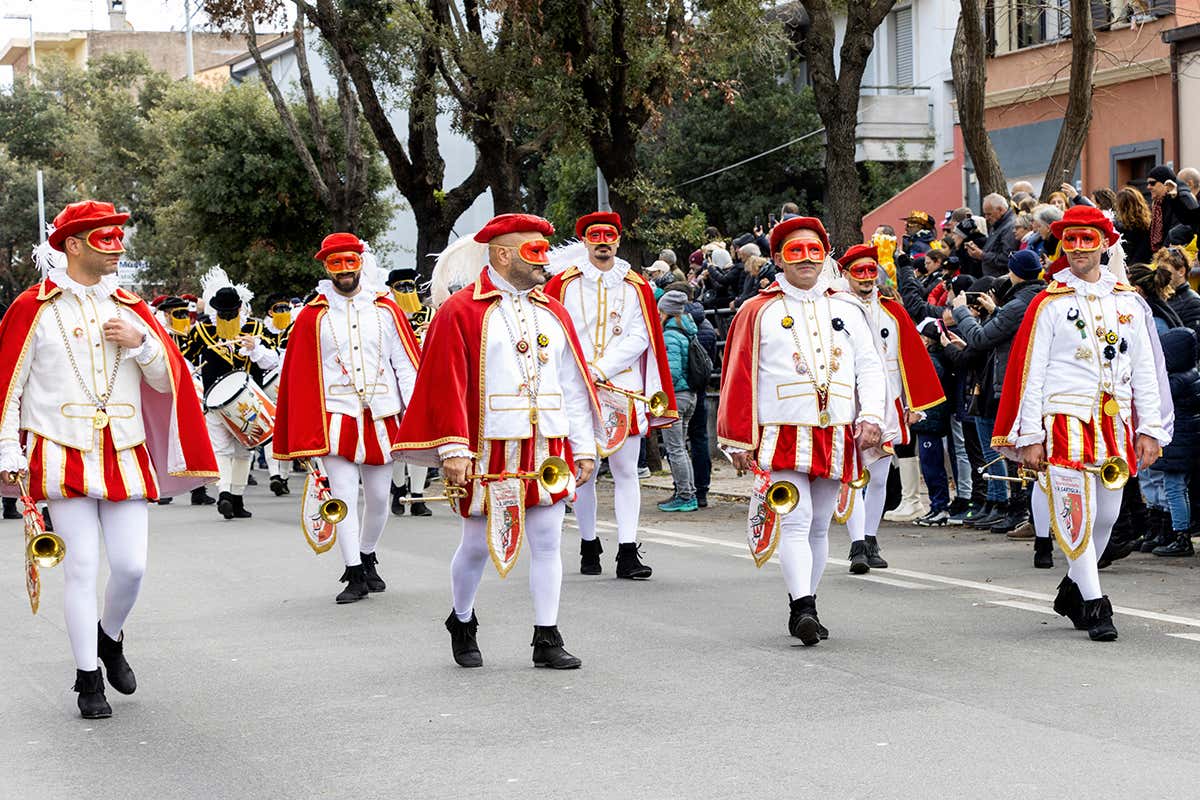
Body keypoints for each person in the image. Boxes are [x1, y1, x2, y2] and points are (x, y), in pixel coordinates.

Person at [0, 200, 217, 718]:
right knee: (81, 569)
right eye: (105, 238)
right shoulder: (33, 308)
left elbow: (171, 383)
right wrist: (9, 447)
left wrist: (143, 345)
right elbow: (8, 386)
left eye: (120, 237)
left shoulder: (133, 307)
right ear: (73, 246)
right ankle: (87, 676)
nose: (117, 247)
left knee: (132, 567)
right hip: (60, 452)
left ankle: (110, 636)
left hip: (123, 448)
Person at [395, 213, 602, 669]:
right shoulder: (460, 310)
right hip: (486, 450)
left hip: (547, 447)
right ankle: (462, 619)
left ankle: (547, 636)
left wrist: (584, 445)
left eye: (545, 250)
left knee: (547, 539)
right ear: (503, 254)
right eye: (535, 251)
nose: (545, 259)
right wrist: (453, 448)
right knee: (476, 544)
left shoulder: (553, 310)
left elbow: (572, 383)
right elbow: (448, 382)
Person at [993, 204, 1172, 642]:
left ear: (1104, 244)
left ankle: (1071, 589)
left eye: (1086, 240)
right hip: (1064, 421)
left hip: (1114, 423)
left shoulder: (1129, 302)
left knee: (1108, 515)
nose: (1077, 248)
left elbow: (1146, 368)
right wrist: (1031, 434)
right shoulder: (1048, 303)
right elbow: (1030, 372)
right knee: (1078, 515)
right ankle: (1095, 603)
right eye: (1069, 240)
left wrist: (1150, 428)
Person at [718, 216, 887, 645]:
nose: (807, 259)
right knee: (797, 518)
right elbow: (738, 375)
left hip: (837, 430)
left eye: (815, 250)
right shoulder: (758, 310)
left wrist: (872, 417)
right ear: (777, 258)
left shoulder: (847, 307)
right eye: (796, 251)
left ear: (825, 255)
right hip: (782, 428)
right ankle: (802, 608)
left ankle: (809, 599)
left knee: (819, 524)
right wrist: (738, 437)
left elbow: (870, 365)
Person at [272, 233, 421, 604]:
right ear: (326, 268)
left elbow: (405, 364)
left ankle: (367, 554)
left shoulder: (387, 310)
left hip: (382, 416)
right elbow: (302, 375)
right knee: (342, 496)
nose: (343, 270)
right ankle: (353, 571)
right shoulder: (312, 317)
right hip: (335, 417)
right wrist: (304, 433)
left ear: (360, 263)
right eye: (335, 264)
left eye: (349, 262)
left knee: (379, 499)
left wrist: (416, 411)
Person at [543, 211, 677, 579]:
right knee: (584, 467)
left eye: (609, 235)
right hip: (577, 390)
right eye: (595, 235)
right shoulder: (564, 284)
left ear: (618, 241)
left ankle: (628, 550)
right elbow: (554, 332)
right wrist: (579, 371)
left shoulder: (636, 285)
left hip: (623, 389)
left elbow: (640, 335)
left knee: (625, 471)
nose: (603, 241)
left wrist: (600, 369)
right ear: (585, 241)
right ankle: (588, 543)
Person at [836, 244, 944, 565]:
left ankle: (870, 539)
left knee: (880, 476)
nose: (868, 278)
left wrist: (914, 402)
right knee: (852, 476)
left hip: (886, 404)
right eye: (860, 272)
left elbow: (911, 357)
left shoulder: (892, 311)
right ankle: (856, 545)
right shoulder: (835, 309)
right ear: (846, 275)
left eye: (872, 271)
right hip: (847, 405)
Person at [946, 249, 1047, 535]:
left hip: (1014, 384)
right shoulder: (1032, 299)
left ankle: (1020, 511)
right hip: (1021, 382)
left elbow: (979, 338)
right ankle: (1023, 512)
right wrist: (996, 312)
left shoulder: (1019, 304)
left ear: (1015, 273)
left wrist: (961, 312)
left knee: (1016, 451)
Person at [181, 269, 281, 520]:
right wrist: (195, 382)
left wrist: (255, 349)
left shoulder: (255, 328)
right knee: (223, 450)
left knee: (243, 450)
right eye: (223, 314)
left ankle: (235, 498)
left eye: (231, 313)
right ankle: (225, 494)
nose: (227, 317)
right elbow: (186, 362)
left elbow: (272, 362)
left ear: (240, 309)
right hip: (214, 402)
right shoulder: (201, 331)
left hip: (249, 402)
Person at [386, 267, 434, 517]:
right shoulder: (388, 315)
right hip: (394, 383)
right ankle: (398, 488)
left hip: (423, 382)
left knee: (421, 441)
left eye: (410, 286)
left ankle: (417, 496)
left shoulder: (430, 313)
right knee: (396, 441)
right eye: (400, 287)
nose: (406, 292)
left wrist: (428, 336)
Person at [657, 289, 699, 512]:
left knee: (676, 449)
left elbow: (671, 372)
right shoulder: (687, 331)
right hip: (689, 395)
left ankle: (685, 495)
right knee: (681, 448)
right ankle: (686, 491)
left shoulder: (670, 335)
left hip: (676, 397)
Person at [259, 293, 294, 496]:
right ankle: (274, 475)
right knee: (269, 431)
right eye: (279, 309)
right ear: (270, 312)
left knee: (288, 432)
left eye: (286, 308)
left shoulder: (294, 328)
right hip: (266, 388)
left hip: (289, 385)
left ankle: (285, 476)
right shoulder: (261, 332)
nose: (284, 313)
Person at [1146, 165, 1199, 251]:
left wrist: (1164, 253)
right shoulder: (1159, 202)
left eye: (1152, 183)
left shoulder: (1183, 197)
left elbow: (1185, 228)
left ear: (1166, 183)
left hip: (1177, 256)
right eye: (1148, 183)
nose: (1148, 187)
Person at [966, 194, 1019, 278]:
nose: (986, 218)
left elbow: (1006, 258)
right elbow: (993, 249)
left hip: (1001, 280)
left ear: (1000, 210)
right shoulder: (997, 224)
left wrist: (982, 255)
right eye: (985, 214)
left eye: (989, 214)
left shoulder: (1010, 227)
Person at [1156, 246, 1200, 336]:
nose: (1158, 274)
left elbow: (1193, 344)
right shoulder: (1159, 297)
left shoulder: (1193, 302)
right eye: (1158, 269)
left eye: (1164, 269)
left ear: (1181, 271)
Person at [1114, 187, 1152, 265]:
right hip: (1143, 267)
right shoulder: (1148, 225)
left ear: (1120, 206)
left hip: (1124, 268)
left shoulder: (1118, 227)